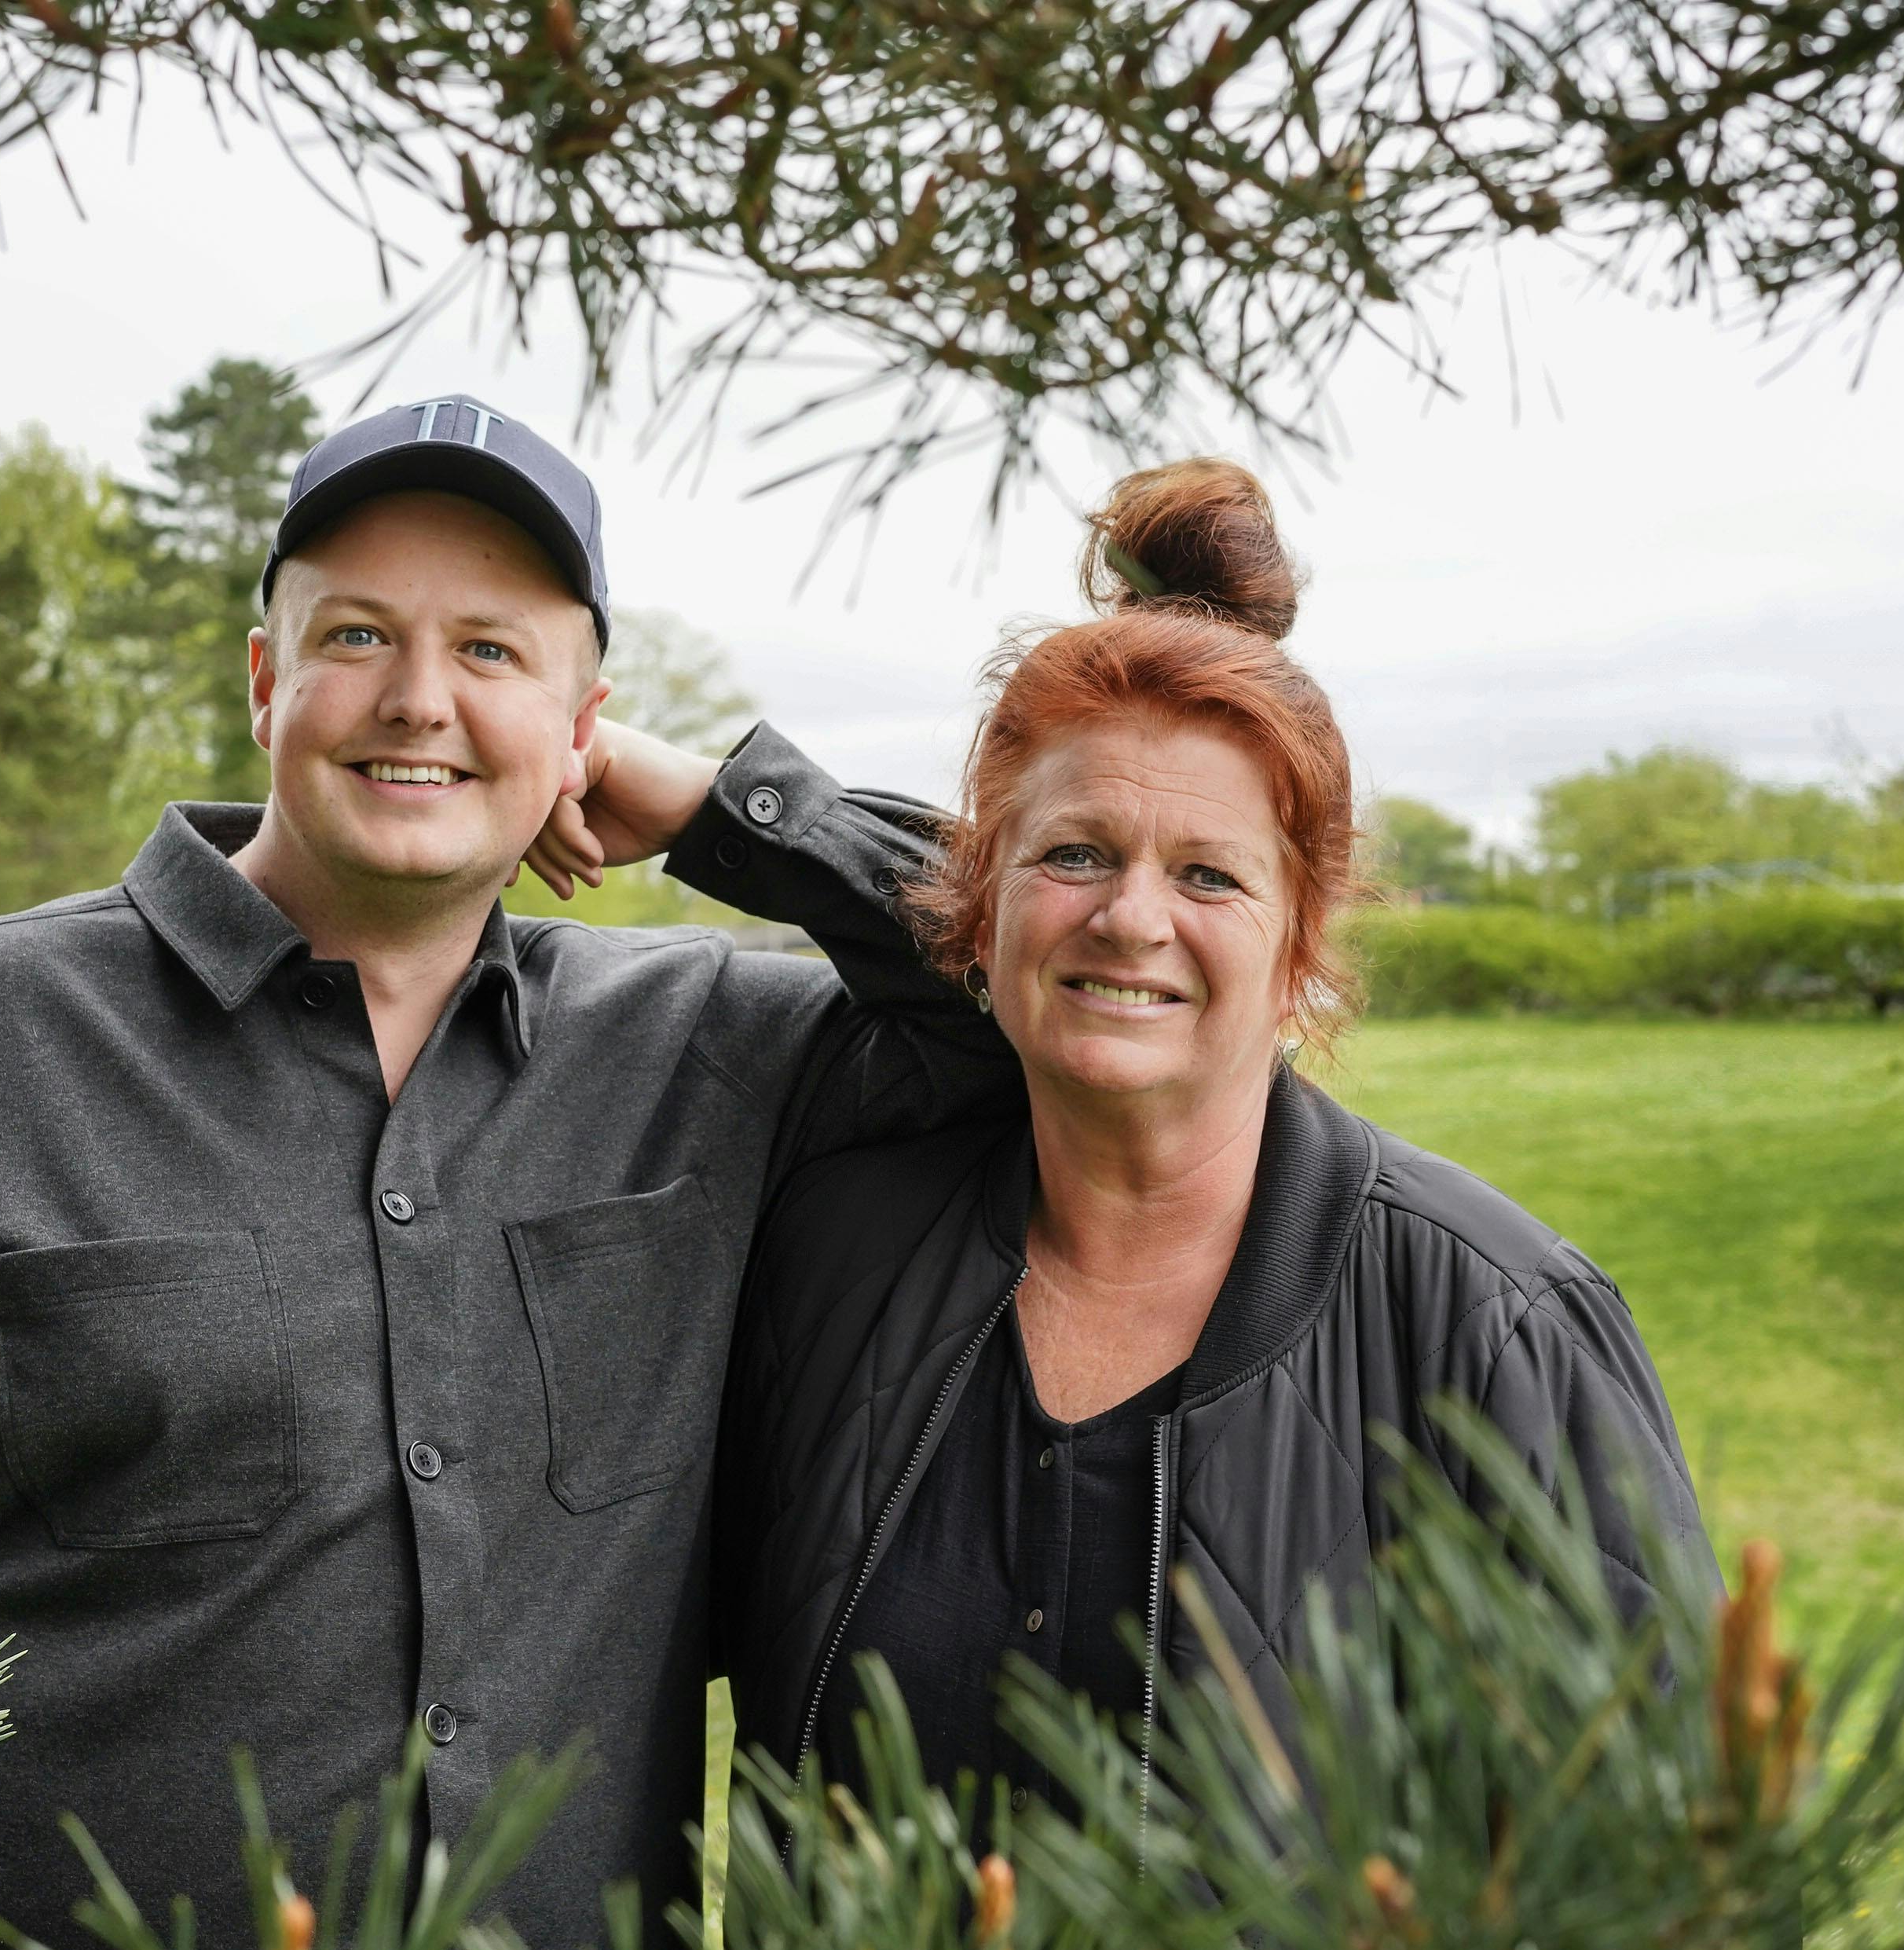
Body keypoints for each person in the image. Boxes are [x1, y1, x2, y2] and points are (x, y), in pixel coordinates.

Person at [0, 396, 1012, 1950]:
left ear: (584, 721)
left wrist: (721, 816)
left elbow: (1077, 992)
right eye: (358, 636)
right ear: (266, 682)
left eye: (491, 651)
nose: (418, 698)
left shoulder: (712, 1053)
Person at [716, 458, 1711, 1805]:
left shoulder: (1494, 1323)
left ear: (1300, 942)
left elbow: (1658, 1873)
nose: (1131, 919)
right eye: (1072, 855)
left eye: (1207, 875)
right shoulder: (839, 1259)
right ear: (979, 906)